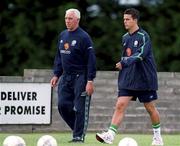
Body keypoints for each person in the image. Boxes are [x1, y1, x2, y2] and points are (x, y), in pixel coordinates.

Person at [96, 8, 163, 146]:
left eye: (127, 19)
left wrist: (124, 62)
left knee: (150, 109)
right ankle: (110, 135)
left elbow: (140, 55)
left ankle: (157, 137)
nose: (125, 22)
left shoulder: (144, 36)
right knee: (120, 105)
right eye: (124, 19)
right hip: (129, 79)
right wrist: (124, 65)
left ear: (135, 20)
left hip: (145, 79)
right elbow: (127, 56)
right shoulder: (125, 38)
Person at [50, 8, 96, 143]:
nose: (67, 21)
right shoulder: (62, 35)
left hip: (81, 77)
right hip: (66, 76)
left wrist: (90, 80)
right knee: (62, 105)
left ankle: (78, 136)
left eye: (70, 18)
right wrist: (56, 74)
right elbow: (59, 57)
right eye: (66, 18)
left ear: (77, 20)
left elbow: (91, 60)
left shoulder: (84, 37)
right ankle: (78, 129)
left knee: (80, 108)